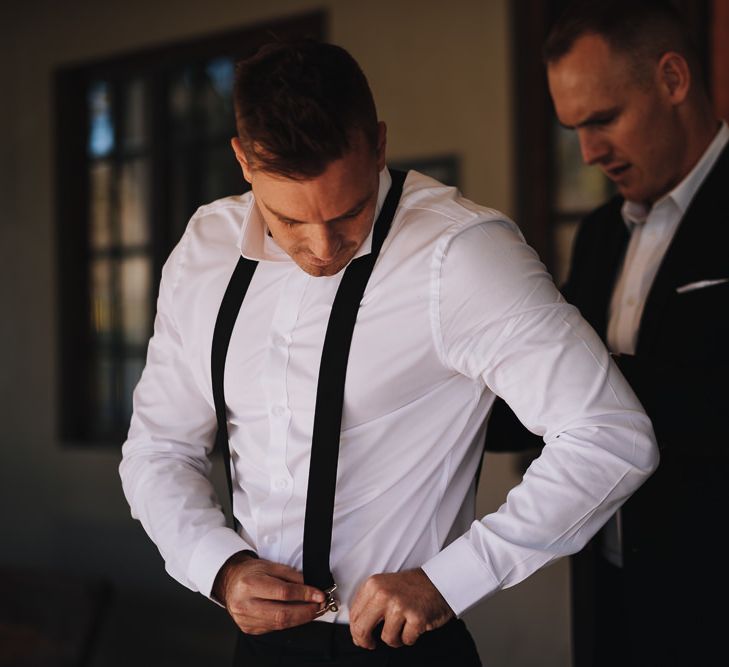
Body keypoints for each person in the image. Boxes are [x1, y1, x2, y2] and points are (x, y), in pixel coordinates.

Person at [119, 39, 657, 666]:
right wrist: (219, 568)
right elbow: (158, 449)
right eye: (287, 221)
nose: (322, 247)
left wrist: (451, 579)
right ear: (243, 160)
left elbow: (609, 434)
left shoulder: (462, 253)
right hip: (258, 650)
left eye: (349, 212)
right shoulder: (204, 251)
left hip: (405, 651)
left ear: (378, 145)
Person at [487, 1, 728, 664]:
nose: (589, 152)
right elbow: (546, 400)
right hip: (607, 591)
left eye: (602, 120)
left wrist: (584, 384)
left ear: (672, 79)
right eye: (574, 130)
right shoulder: (597, 235)